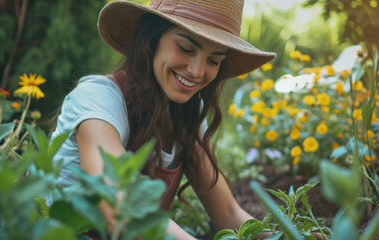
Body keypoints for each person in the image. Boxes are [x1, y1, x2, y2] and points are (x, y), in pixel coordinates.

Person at [50, 0, 277, 239]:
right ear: (151, 39)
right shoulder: (98, 99)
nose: (197, 71)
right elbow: (120, 206)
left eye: (214, 60)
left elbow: (228, 213)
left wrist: (282, 237)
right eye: (186, 47)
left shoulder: (187, 116)